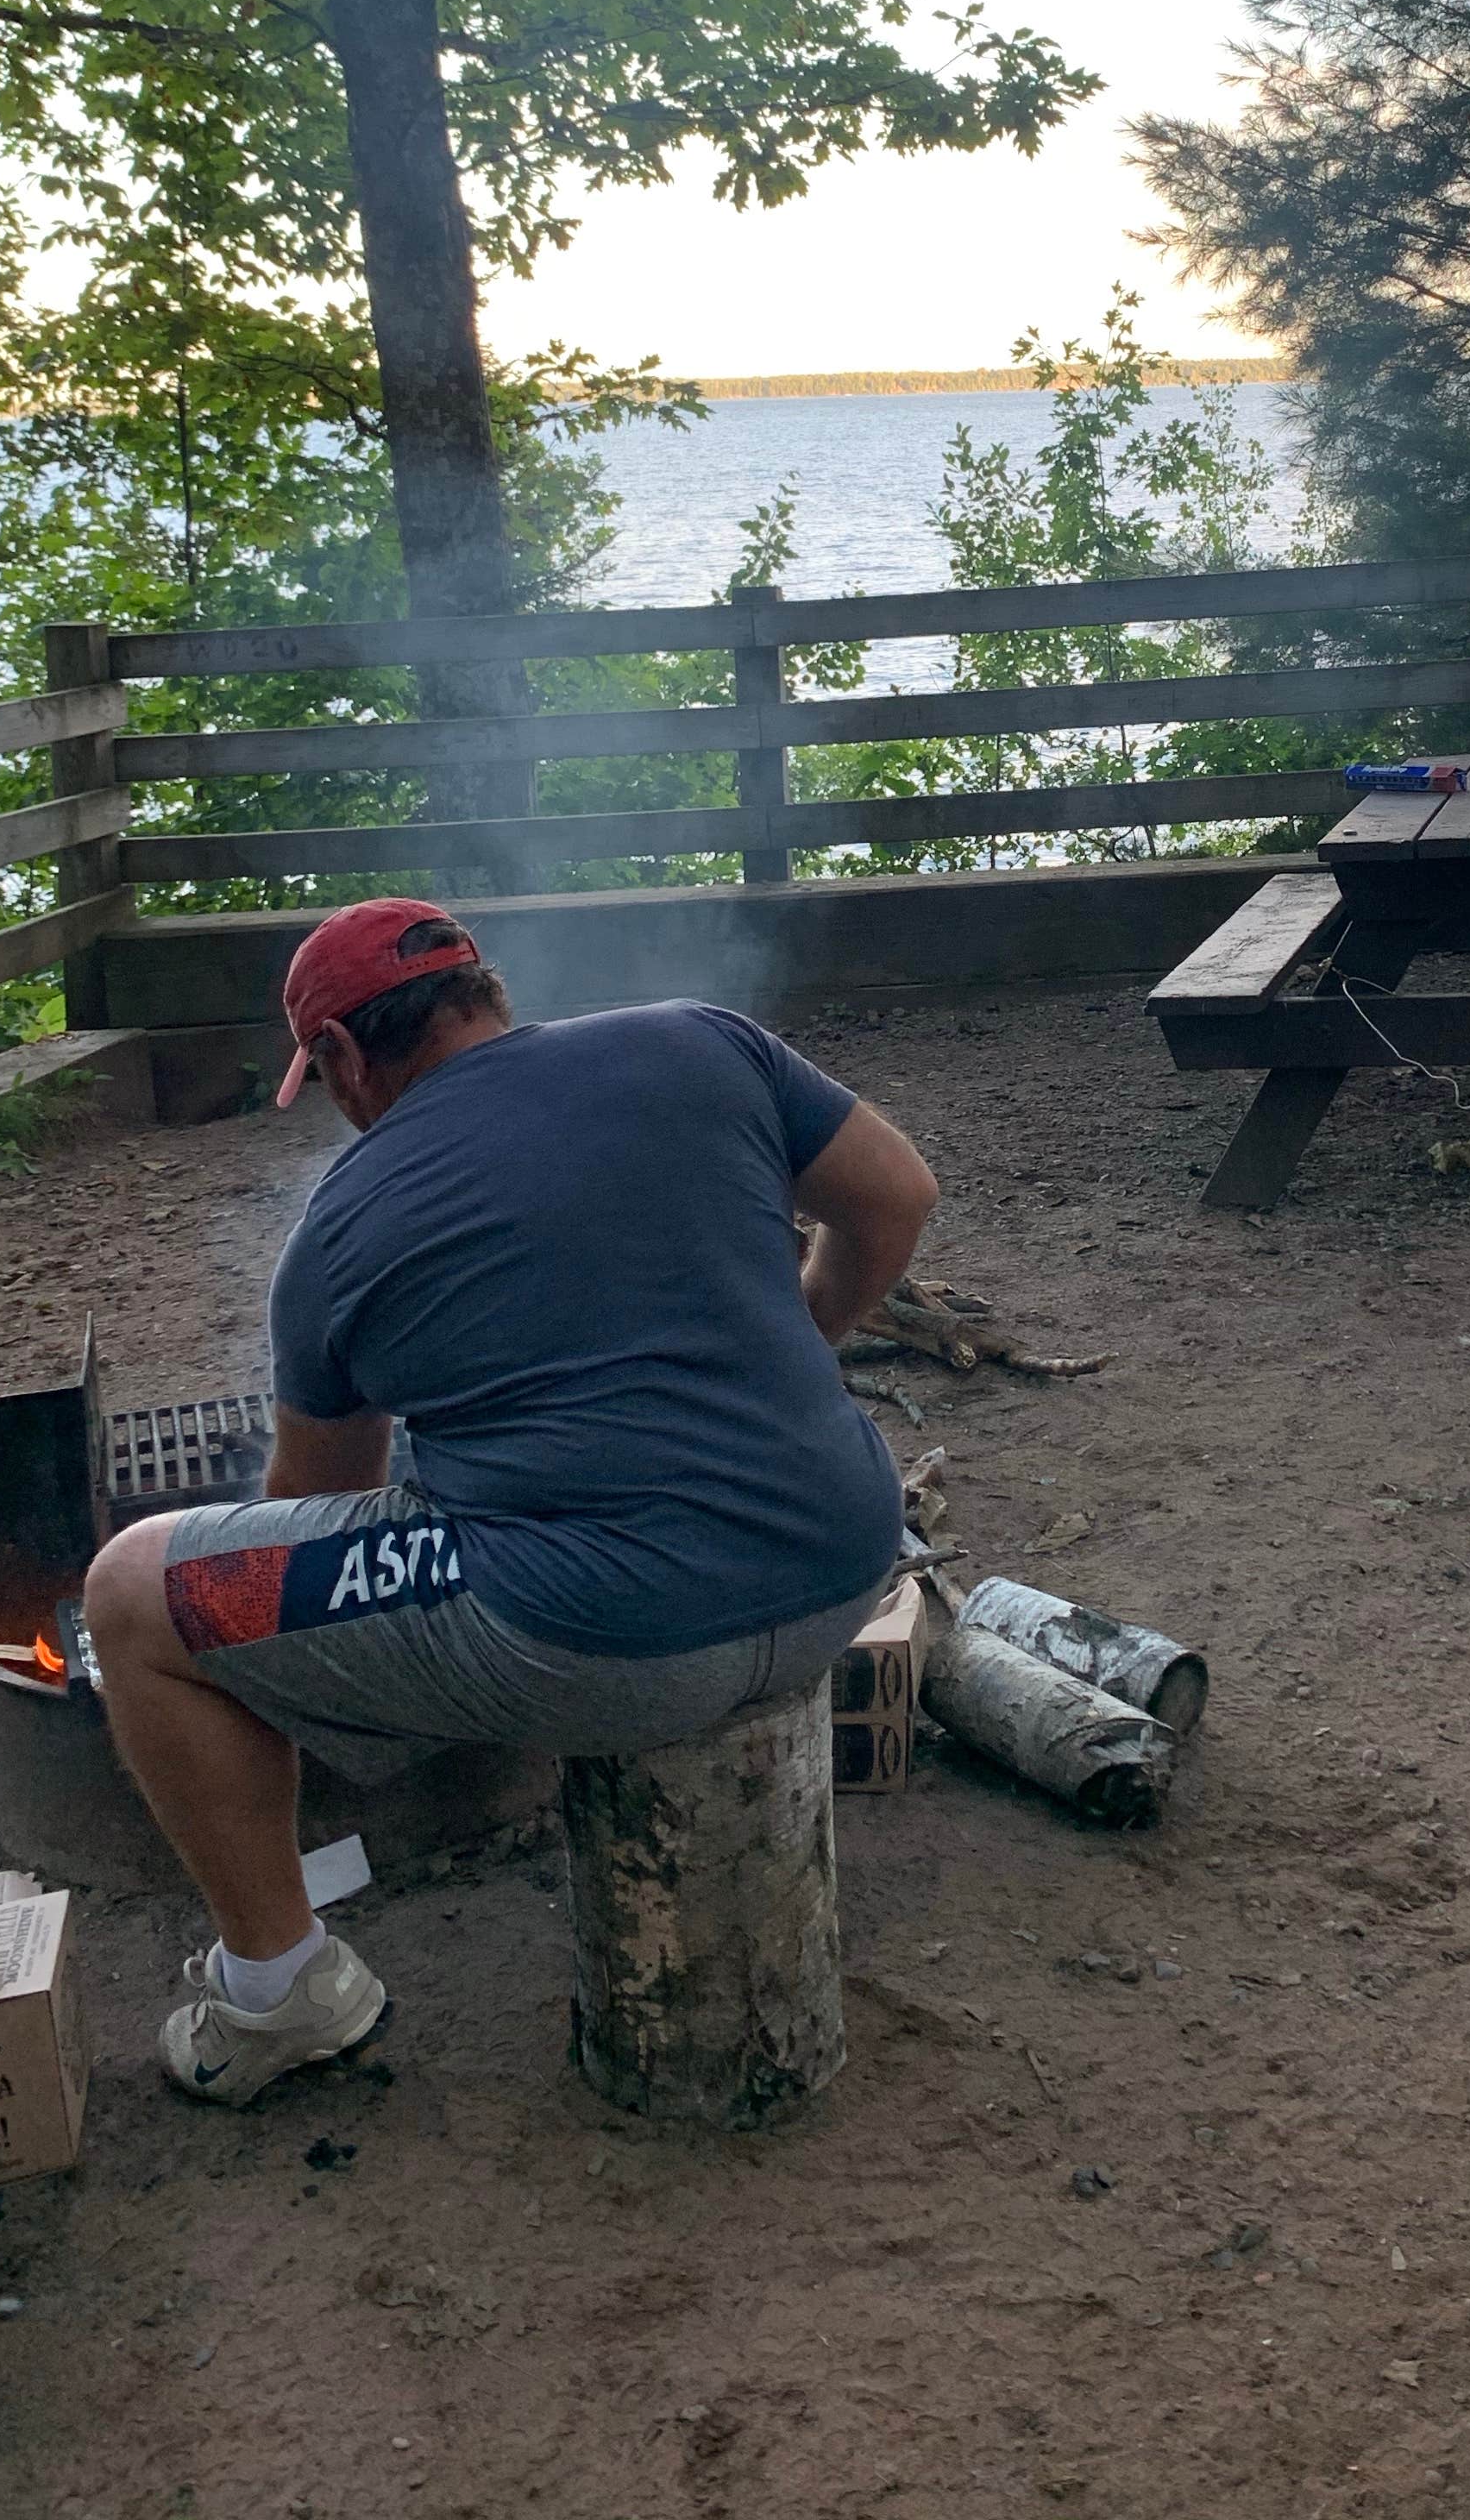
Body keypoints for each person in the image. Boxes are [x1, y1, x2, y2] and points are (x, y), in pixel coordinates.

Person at [81, 897, 937, 2107]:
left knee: (135, 1595)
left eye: (323, 1080)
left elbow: (329, 1501)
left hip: (606, 1645)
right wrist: (792, 1347)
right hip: (841, 1562)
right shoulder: (704, 1041)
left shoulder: (340, 1227)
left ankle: (280, 1993)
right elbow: (897, 1195)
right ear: (486, 992)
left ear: (338, 1057)